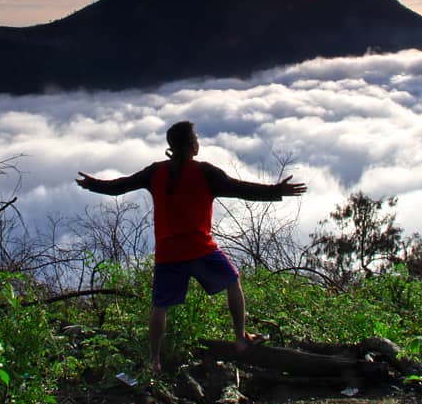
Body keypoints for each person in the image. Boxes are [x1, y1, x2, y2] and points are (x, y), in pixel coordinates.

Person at [76, 120, 307, 373]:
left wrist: (93, 185)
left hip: (168, 253)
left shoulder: (156, 172)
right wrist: (277, 190)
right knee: (232, 282)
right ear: (192, 146)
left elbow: (120, 186)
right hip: (200, 250)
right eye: (196, 139)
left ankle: (154, 360)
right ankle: (241, 339)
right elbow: (240, 189)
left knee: (160, 306)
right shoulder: (206, 173)